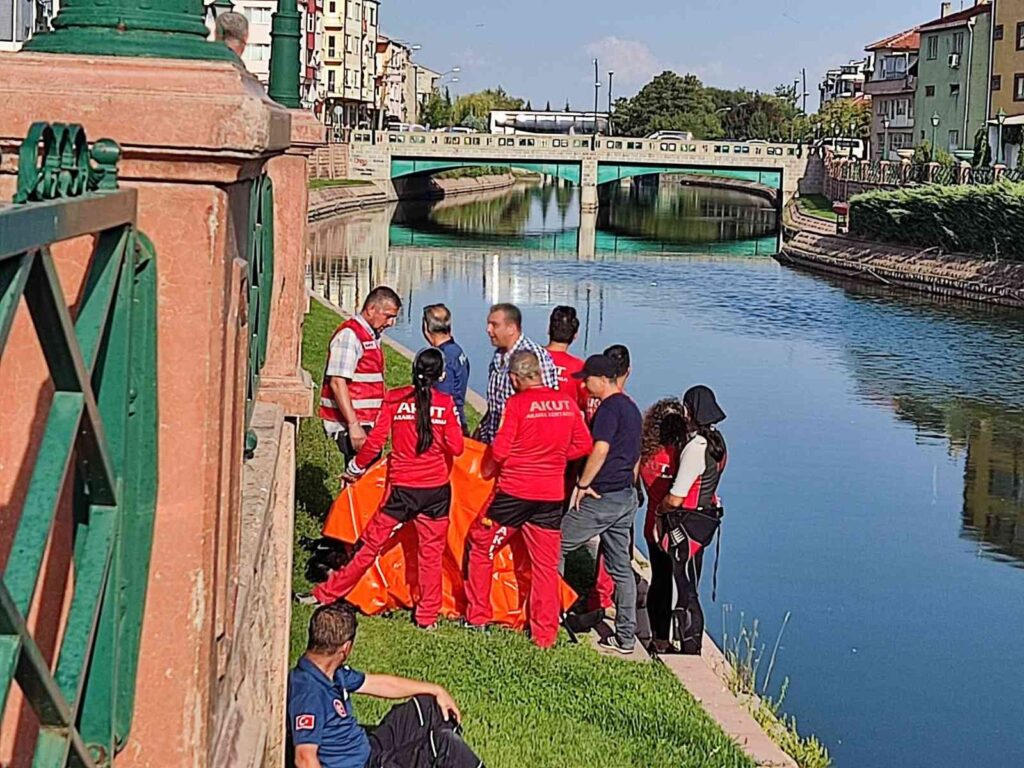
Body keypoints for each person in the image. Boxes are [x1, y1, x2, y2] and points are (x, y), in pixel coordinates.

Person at [305, 349, 464, 629]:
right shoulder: (446, 403)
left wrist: (354, 470)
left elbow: (375, 442)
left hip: (401, 491)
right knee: (430, 555)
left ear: (413, 369)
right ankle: (426, 618)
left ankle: (326, 594)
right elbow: (457, 447)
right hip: (436, 492)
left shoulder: (394, 399)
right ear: (441, 375)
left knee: (367, 547)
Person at [465, 350, 592, 648]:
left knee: (481, 545)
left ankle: (478, 617)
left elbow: (500, 452)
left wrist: (523, 457)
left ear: (514, 378)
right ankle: (544, 636)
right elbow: (584, 444)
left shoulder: (517, 404)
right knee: (545, 566)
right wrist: (555, 457)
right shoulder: (567, 403)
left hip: (513, 493)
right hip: (550, 497)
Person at [289, 604, 483, 768]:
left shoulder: (332, 672)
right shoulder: (308, 693)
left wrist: (436, 689)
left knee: (430, 706)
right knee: (444, 746)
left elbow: (380, 684)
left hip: (370, 751)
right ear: (346, 648)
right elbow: (304, 758)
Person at [561, 354, 643, 654]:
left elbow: (600, 448)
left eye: (587, 379)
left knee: (555, 545)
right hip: (625, 496)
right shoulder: (632, 408)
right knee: (621, 567)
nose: (583, 384)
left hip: (602, 496)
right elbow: (634, 454)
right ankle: (625, 637)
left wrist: (583, 484)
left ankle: (553, 614)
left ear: (602, 379)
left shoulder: (609, 409)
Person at [656, 385, 727, 655]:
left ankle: (688, 648)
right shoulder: (718, 443)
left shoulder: (696, 448)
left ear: (689, 411)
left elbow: (676, 497)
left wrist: (660, 513)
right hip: (704, 523)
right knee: (690, 582)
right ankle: (690, 645)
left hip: (684, 524)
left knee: (683, 587)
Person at [320, 286, 401, 463]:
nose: (391, 323)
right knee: (361, 480)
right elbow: (337, 382)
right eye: (388, 316)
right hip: (354, 423)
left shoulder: (370, 336)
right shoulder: (350, 336)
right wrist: (353, 425)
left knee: (364, 481)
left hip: (366, 421)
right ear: (371, 309)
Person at [638, 399, 688, 654]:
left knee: (659, 579)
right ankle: (672, 638)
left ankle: (656, 636)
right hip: (675, 527)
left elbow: (637, 485)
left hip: (651, 525)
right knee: (678, 583)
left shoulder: (646, 453)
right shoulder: (681, 456)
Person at [475, 303, 559, 445]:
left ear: (511, 329)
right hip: (494, 443)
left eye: (494, 325)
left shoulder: (534, 356)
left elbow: (548, 405)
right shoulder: (498, 356)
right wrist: (482, 429)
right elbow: (496, 404)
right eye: (488, 324)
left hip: (519, 448)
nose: (488, 330)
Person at [422, 304, 470, 433]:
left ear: (426, 327)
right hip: (459, 418)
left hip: (447, 426)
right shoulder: (458, 351)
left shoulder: (443, 359)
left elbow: (443, 398)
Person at [544, 306, 588, 413]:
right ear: (575, 336)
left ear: (549, 329)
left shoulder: (530, 358)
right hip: (565, 425)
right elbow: (585, 402)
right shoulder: (579, 367)